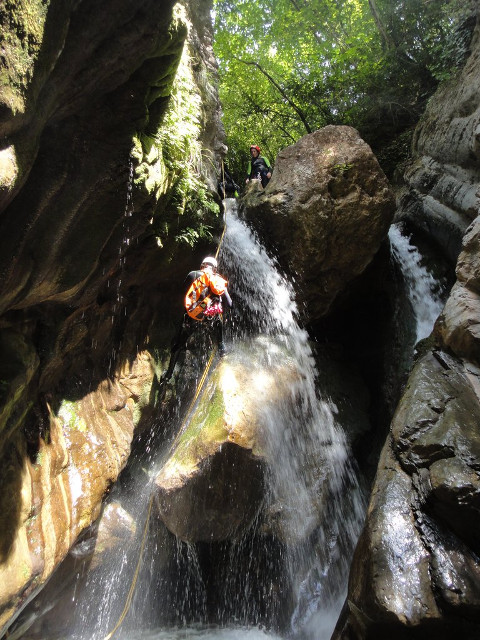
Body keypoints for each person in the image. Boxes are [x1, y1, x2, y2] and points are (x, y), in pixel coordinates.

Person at [162, 256, 232, 382]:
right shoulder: (218, 280)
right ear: (214, 269)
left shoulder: (193, 274)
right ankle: (221, 346)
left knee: (178, 344)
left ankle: (168, 375)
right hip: (210, 318)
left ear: (202, 266)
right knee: (218, 319)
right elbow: (229, 303)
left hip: (192, 318)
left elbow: (184, 294)